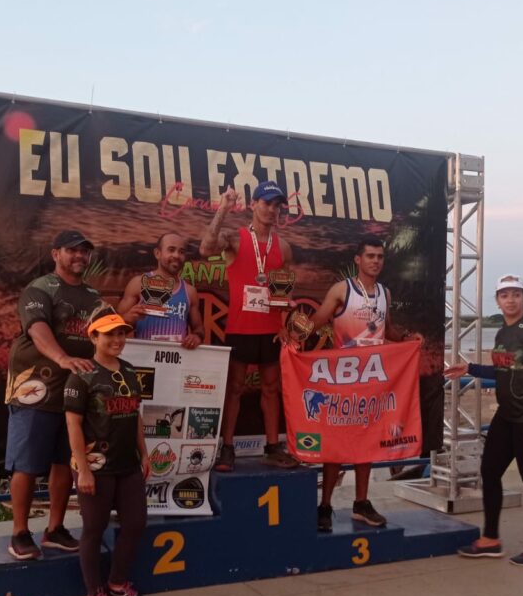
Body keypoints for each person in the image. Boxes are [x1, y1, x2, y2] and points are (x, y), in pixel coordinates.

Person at [445, 274, 523, 567]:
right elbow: (504, 372)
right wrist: (470, 368)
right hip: (506, 415)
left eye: (516, 294)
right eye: (504, 295)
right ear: (497, 300)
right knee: (490, 471)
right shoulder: (501, 333)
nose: (510, 299)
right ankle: (491, 539)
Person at [3, 230, 102, 561]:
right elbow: (37, 328)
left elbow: (108, 332)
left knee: (65, 461)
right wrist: (62, 359)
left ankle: (55, 529)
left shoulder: (92, 296)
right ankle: (19, 532)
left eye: (84, 252)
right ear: (55, 254)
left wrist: (135, 318)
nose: (79, 257)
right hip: (36, 388)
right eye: (72, 250)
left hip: (75, 392)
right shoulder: (40, 289)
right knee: (27, 464)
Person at [200, 180, 298, 471]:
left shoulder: (283, 246)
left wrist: (283, 324)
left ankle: (272, 446)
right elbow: (206, 248)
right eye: (266, 203)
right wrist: (223, 209)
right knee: (235, 388)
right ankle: (227, 447)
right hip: (241, 327)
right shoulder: (236, 237)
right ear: (253, 205)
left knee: (271, 389)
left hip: (269, 329)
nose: (271, 210)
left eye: (276, 205)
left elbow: (284, 289)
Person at [64, 308, 150, 596]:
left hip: (128, 464)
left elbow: (136, 416)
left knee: (136, 523)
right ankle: (94, 595)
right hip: (95, 466)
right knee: (94, 528)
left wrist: (145, 452)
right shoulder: (81, 375)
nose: (117, 339)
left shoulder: (129, 370)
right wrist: (83, 469)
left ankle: (116, 583)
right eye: (109, 333)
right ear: (94, 336)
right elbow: (73, 424)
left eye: (121, 333)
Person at [309, 235, 398, 531]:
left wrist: (409, 339)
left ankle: (361, 503)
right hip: (343, 380)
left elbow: (389, 329)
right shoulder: (342, 289)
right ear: (358, 260)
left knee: (368, 444)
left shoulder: (385, 293)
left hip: (372, 381)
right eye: (370, 256)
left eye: (380, 257)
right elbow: (317, 322)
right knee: (336, 445)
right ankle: (325, 506)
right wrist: (293, 338)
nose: (375, 261)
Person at [117, 232, 205, 348]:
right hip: (144, 361)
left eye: (181, 252)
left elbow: (199, 329)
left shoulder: (189, 291)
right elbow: (113, 327)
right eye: (171, 250)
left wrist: (196, 337)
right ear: (157, 253)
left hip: (176, 361)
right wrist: (127, 318)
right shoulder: (138, 284)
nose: (177, 255)